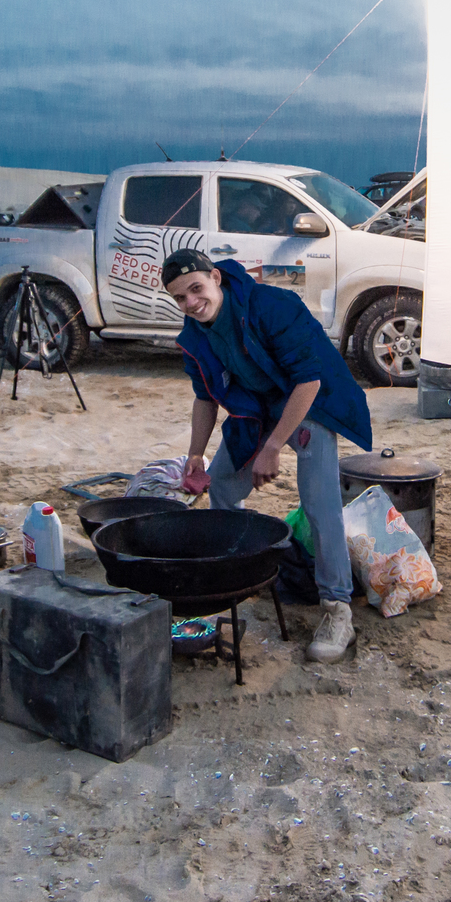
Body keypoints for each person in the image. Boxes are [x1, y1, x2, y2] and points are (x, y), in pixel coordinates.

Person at [164, 248, 373, 665]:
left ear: (215, 279)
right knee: (222, 482)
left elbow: (308, 380)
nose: (191, 303)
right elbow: (205, 398)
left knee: (320, 503)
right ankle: (242, 574)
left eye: (195, 289)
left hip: (309, 404)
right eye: (179, 298)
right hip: (255, 409)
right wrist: (195, 454)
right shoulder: (193, 336)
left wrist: (274, 447)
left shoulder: (273, 306)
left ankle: (337, 609)